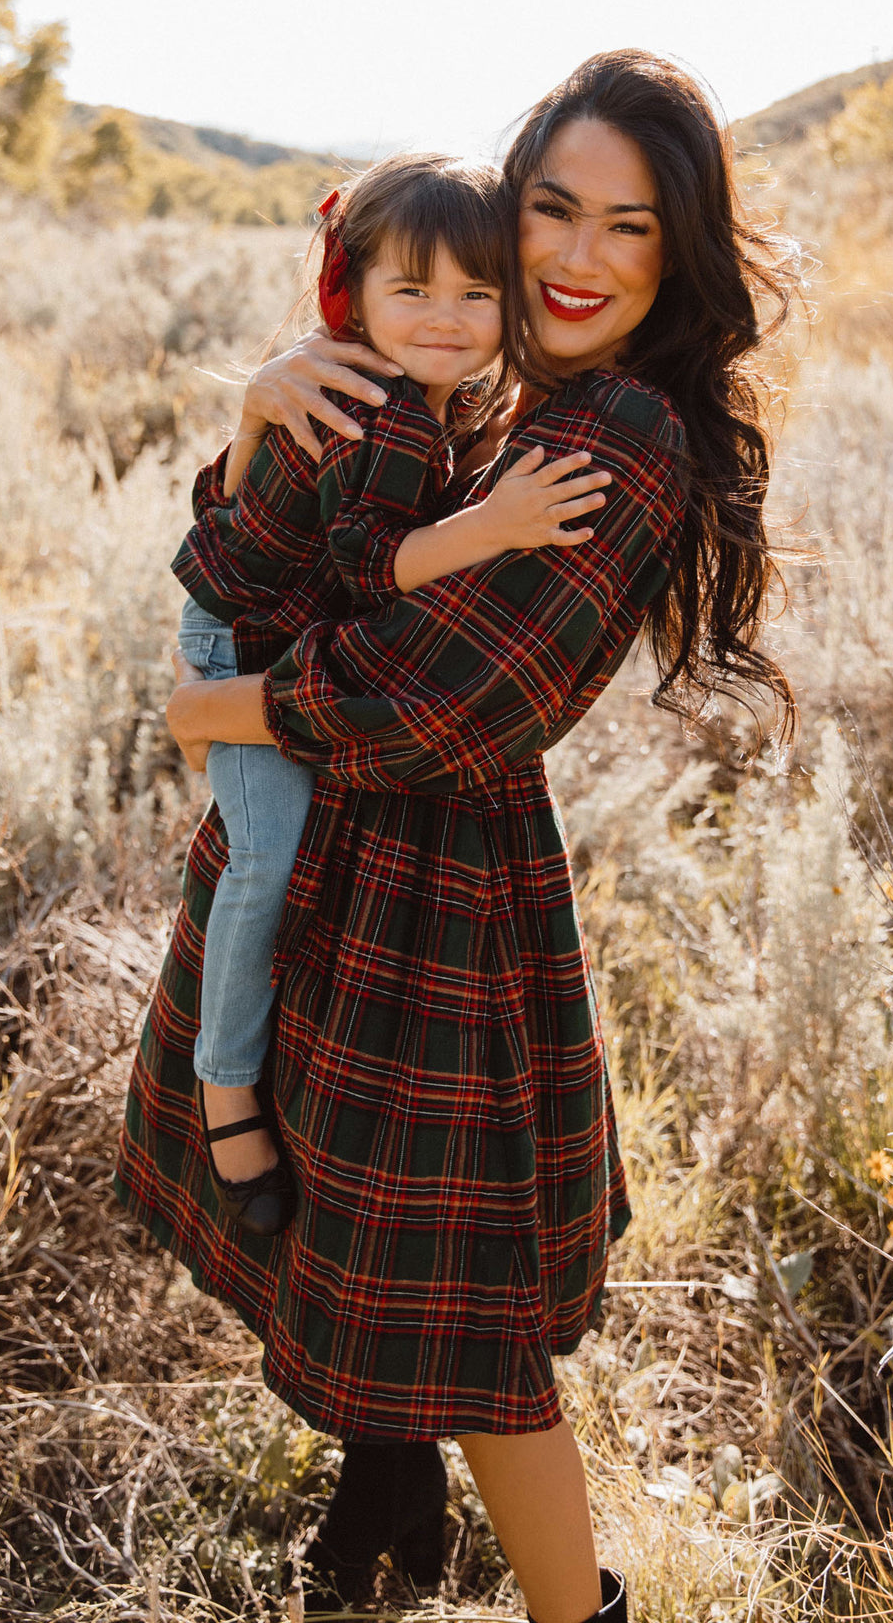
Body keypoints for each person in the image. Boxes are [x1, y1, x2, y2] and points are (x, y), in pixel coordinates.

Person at [115, 49, 796, 1623]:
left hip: (443, 910)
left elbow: (439, 705)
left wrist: (220, 714)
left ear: (678, 248)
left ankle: (581, 1611)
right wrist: (258, 404)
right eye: (549, 211)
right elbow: (297, 542)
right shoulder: (504, 381)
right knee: (358, 1242)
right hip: (366, 883)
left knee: (474, 1329)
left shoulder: (617, 435)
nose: (573, 258)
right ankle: (385, 1478)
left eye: (628, 230)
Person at [168, 152, 607, 1234]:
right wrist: (492, 527)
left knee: (292, 844)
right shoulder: (388, 411)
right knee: (269, 851)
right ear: (355, 295)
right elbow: (369, 567)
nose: (447, 316)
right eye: (413, 289)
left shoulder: (416, 400)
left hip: (261, 627)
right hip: (241, 641)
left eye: (476, 291)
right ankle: (225, 1081)